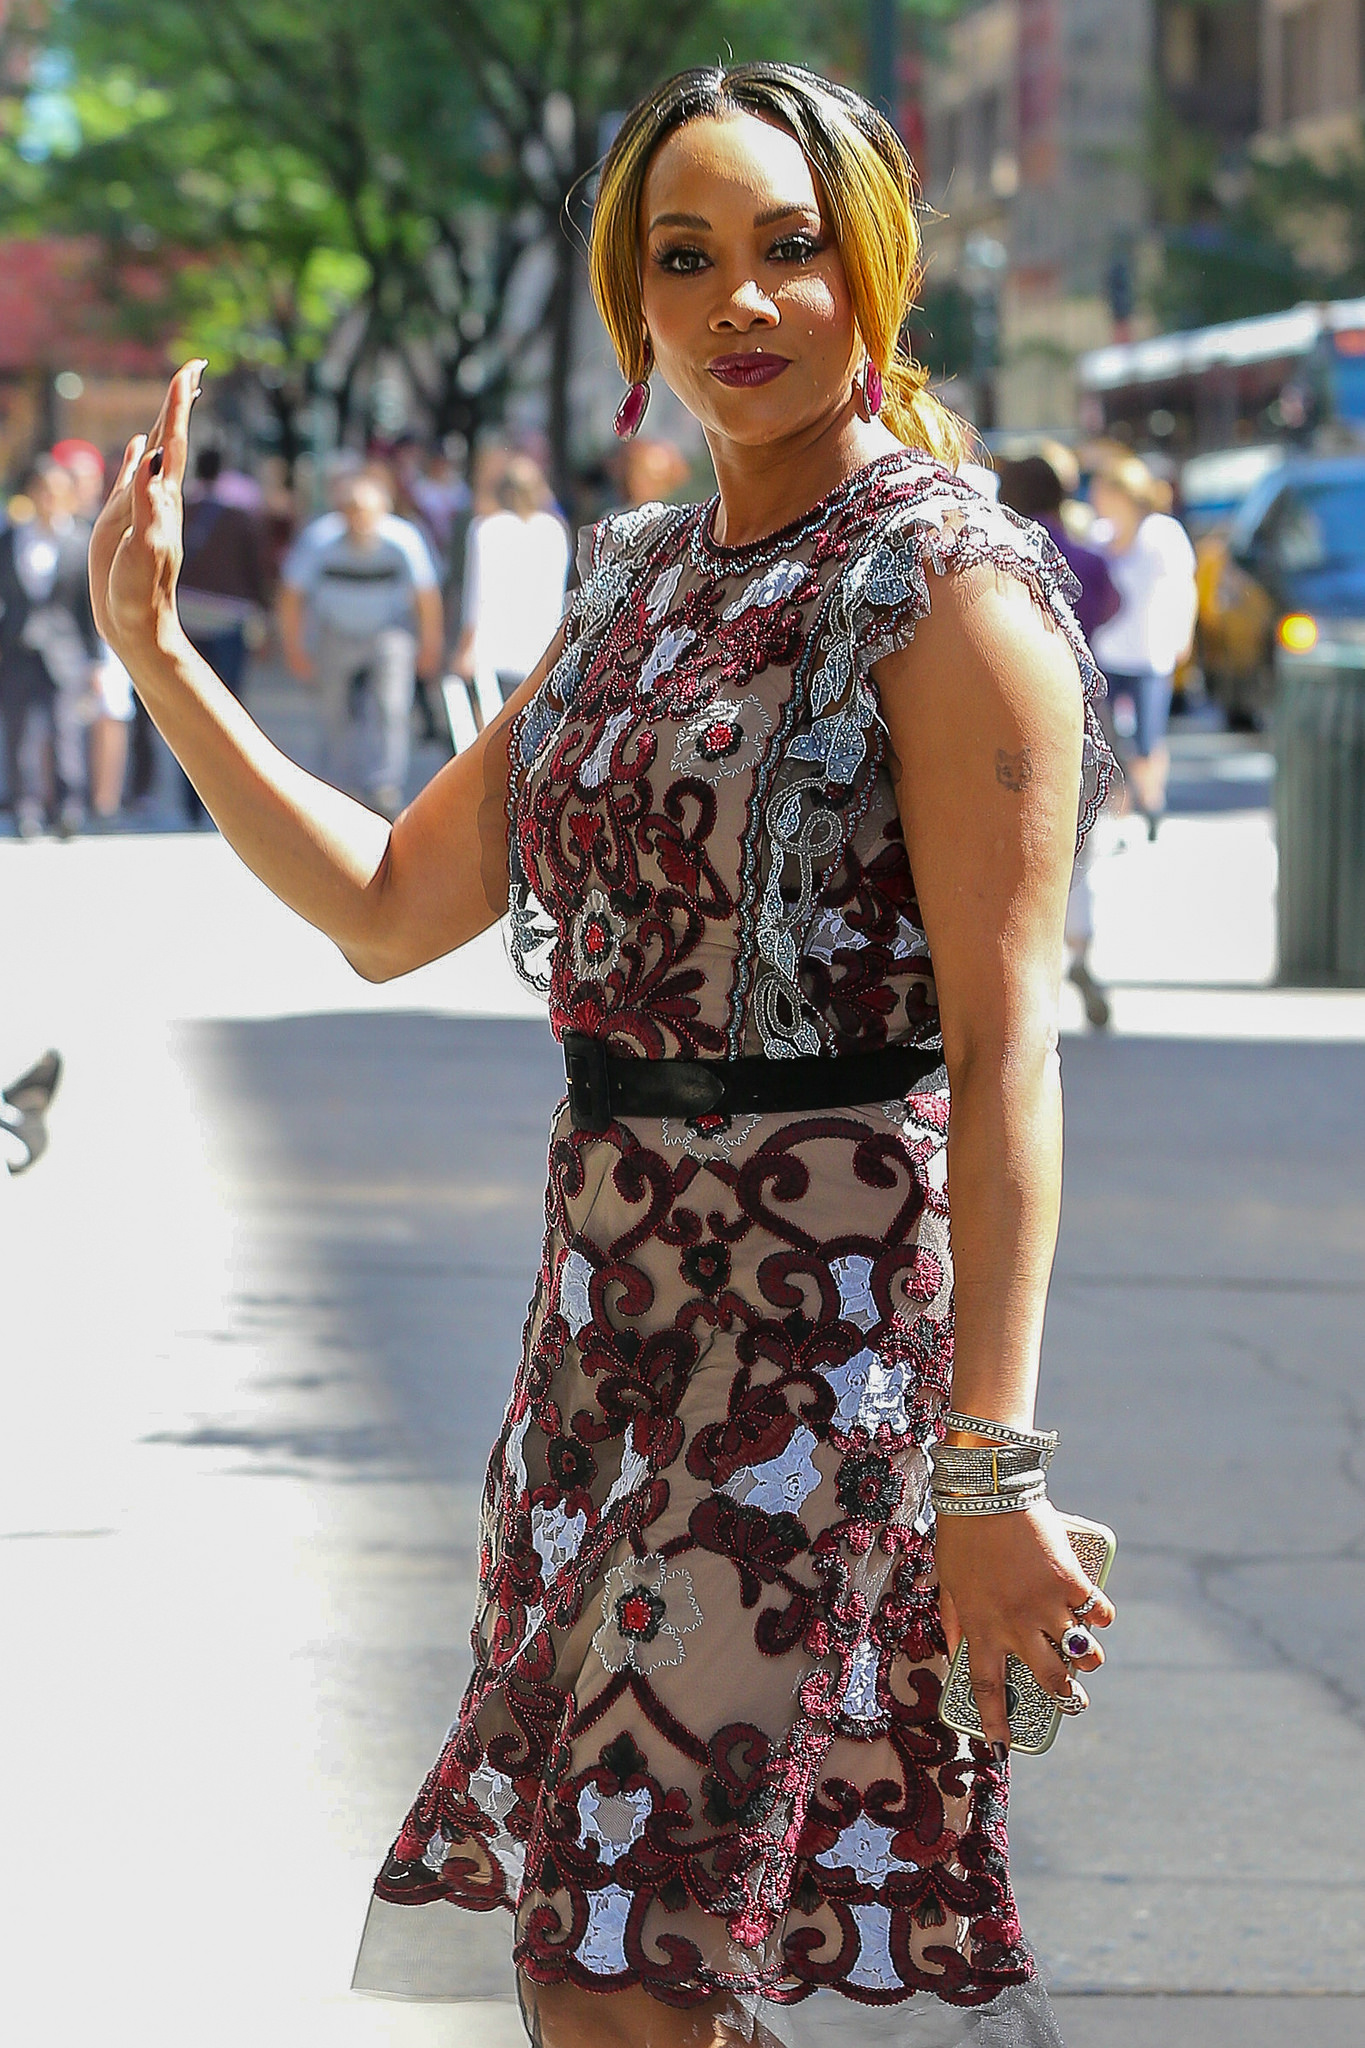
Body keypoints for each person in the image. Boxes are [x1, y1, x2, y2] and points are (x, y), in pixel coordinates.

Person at [90, 60, 1116, 2048]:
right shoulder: (635, 591)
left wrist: (988, 1464)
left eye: (789, 250)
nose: (741, 300)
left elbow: (1003, 1058)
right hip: (605, 1355)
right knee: (623, 1952)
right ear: (630, 310)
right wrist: (168, 664)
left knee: (623, 1967)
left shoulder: (944, 586)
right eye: (686, 257)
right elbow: (392, 904)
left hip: (821, 1370)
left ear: (873, 274)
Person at [997, 453, 1119, 1028]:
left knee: (1017, 841)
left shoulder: (997, 551)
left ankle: (1023, 968)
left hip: (1010, 714)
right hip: (1083, 703)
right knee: (1079, 839)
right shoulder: (1088, 559)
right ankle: (1080, 943)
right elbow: (1112, 606)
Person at [278, 470, 443, 820]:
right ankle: (339, 784)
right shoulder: (320, 540)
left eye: (367, 511)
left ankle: (384, 783)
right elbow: (292, 595)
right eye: (352, 510)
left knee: (391, 706)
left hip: (388, 631)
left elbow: (426, 596)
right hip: (335, 632)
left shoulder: (404, 540)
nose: (360, 519)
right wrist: (294, 648)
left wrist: (430, 645)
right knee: (332, 709)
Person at [1088, 451, 1198, 838]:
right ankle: (1122, 811)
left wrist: (1183, 635)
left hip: (1151, 651)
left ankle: (1152, 802)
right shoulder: (1099, 536)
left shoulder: (1163, 533)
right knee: (1108, 739)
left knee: (1148, 739)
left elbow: (1185, 588)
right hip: (1108, 653)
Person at [0, 456, 101, 839]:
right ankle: (26, 808)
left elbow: (85, 606)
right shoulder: (10, 540)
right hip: (17, 646)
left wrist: (94, 659)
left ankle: (68, 807)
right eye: (42, 490)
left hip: (65, 650)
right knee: (20, 734)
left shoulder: (78, 541)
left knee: (65, 731)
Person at [450, 453, 569, 720]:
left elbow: (476, 594)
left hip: (491, 649)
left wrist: (466, 646)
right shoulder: (554, 530)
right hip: (540, 648)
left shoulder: (487, 529)